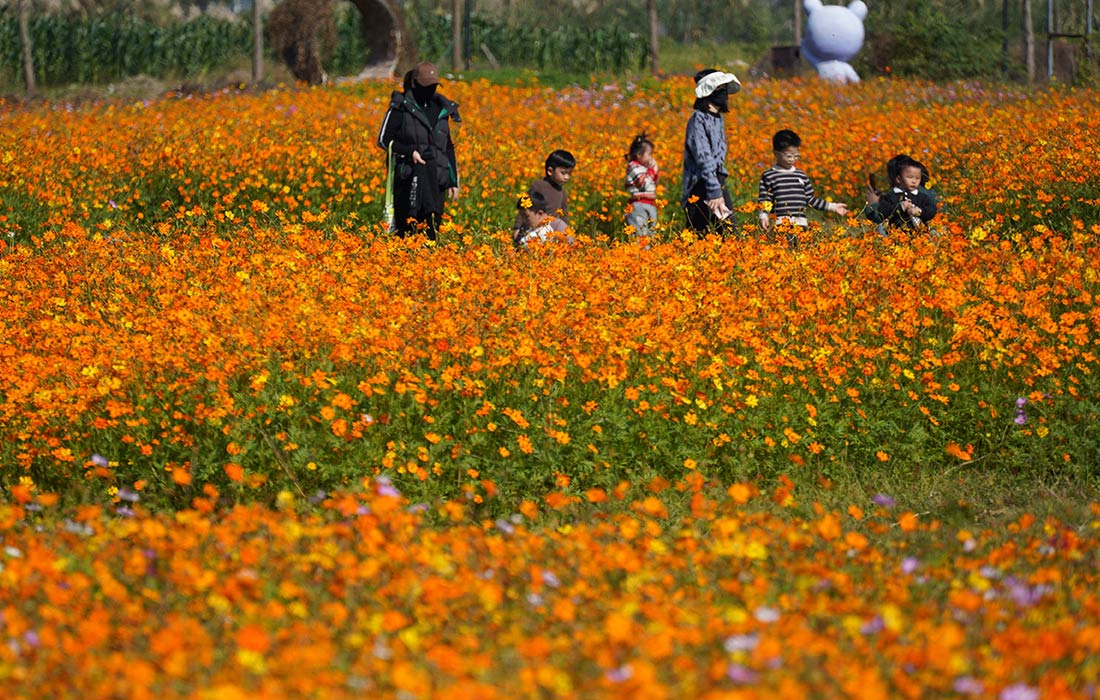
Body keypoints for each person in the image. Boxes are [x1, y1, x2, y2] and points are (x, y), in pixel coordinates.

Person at [376, 62, 461, 240]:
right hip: (408, 178)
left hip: (436, 178)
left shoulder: (442, 109)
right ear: (414, 84)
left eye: (433, 86)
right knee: (408, 229)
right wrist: (410, 152)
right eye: (426, 86)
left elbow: (447, 146)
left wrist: (453, 180)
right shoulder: (400, 107)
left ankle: (428, 260)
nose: (430, 90)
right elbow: (384, 140)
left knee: (432, 228)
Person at [681, 68, 740, 236]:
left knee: (728, 235)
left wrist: (717, 186)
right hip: (700, 184)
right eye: (720, 90)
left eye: (725, 90)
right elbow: (704, 159)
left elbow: (718, 156)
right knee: (699, 235)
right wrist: (714, 192)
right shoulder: (698, 119)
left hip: (716, 180)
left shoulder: (717, 118)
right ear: (709, 93)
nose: (725, 95)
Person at [757, 129, 849, 237]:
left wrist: (832, 207)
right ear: (776, 154)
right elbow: (765, 200)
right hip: (780, 224)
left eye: (796, 156)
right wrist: (764, 215)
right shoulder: (769, 175)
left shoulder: (801, 175)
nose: (793, 159)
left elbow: (810, 199)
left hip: (801, 225)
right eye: (789, 156)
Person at [865, 154, 937, 230]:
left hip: (920, 233)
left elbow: (880, 217)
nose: (913, 181)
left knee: (881, 228)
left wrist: (873, 204)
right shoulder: (895, 195)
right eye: (910, 177)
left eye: (917, 178)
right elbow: (887, 209)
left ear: (896, 178)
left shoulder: (921, 195)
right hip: (903, 234)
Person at [514, 149, 576, 233]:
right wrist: (517, 228)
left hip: (551, 231)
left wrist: (564, 232)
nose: (567, 177)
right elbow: (524, 207)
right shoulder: (538, 186)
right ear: (550, 171)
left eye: (569, 174)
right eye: (563, 173)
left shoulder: (562, 192)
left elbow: (564, 214)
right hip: (532, 228)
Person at [624, 132, 659, 238]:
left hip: (650, 204)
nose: (651, 157)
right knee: (640, 237)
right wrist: (651, 170)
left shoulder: (644, 168)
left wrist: (655, 171)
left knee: (651, 236)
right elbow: (641, 184)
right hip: (638, 205)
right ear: (639, 155)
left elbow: (654, 183)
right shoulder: (633, 166)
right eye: (649, 154)